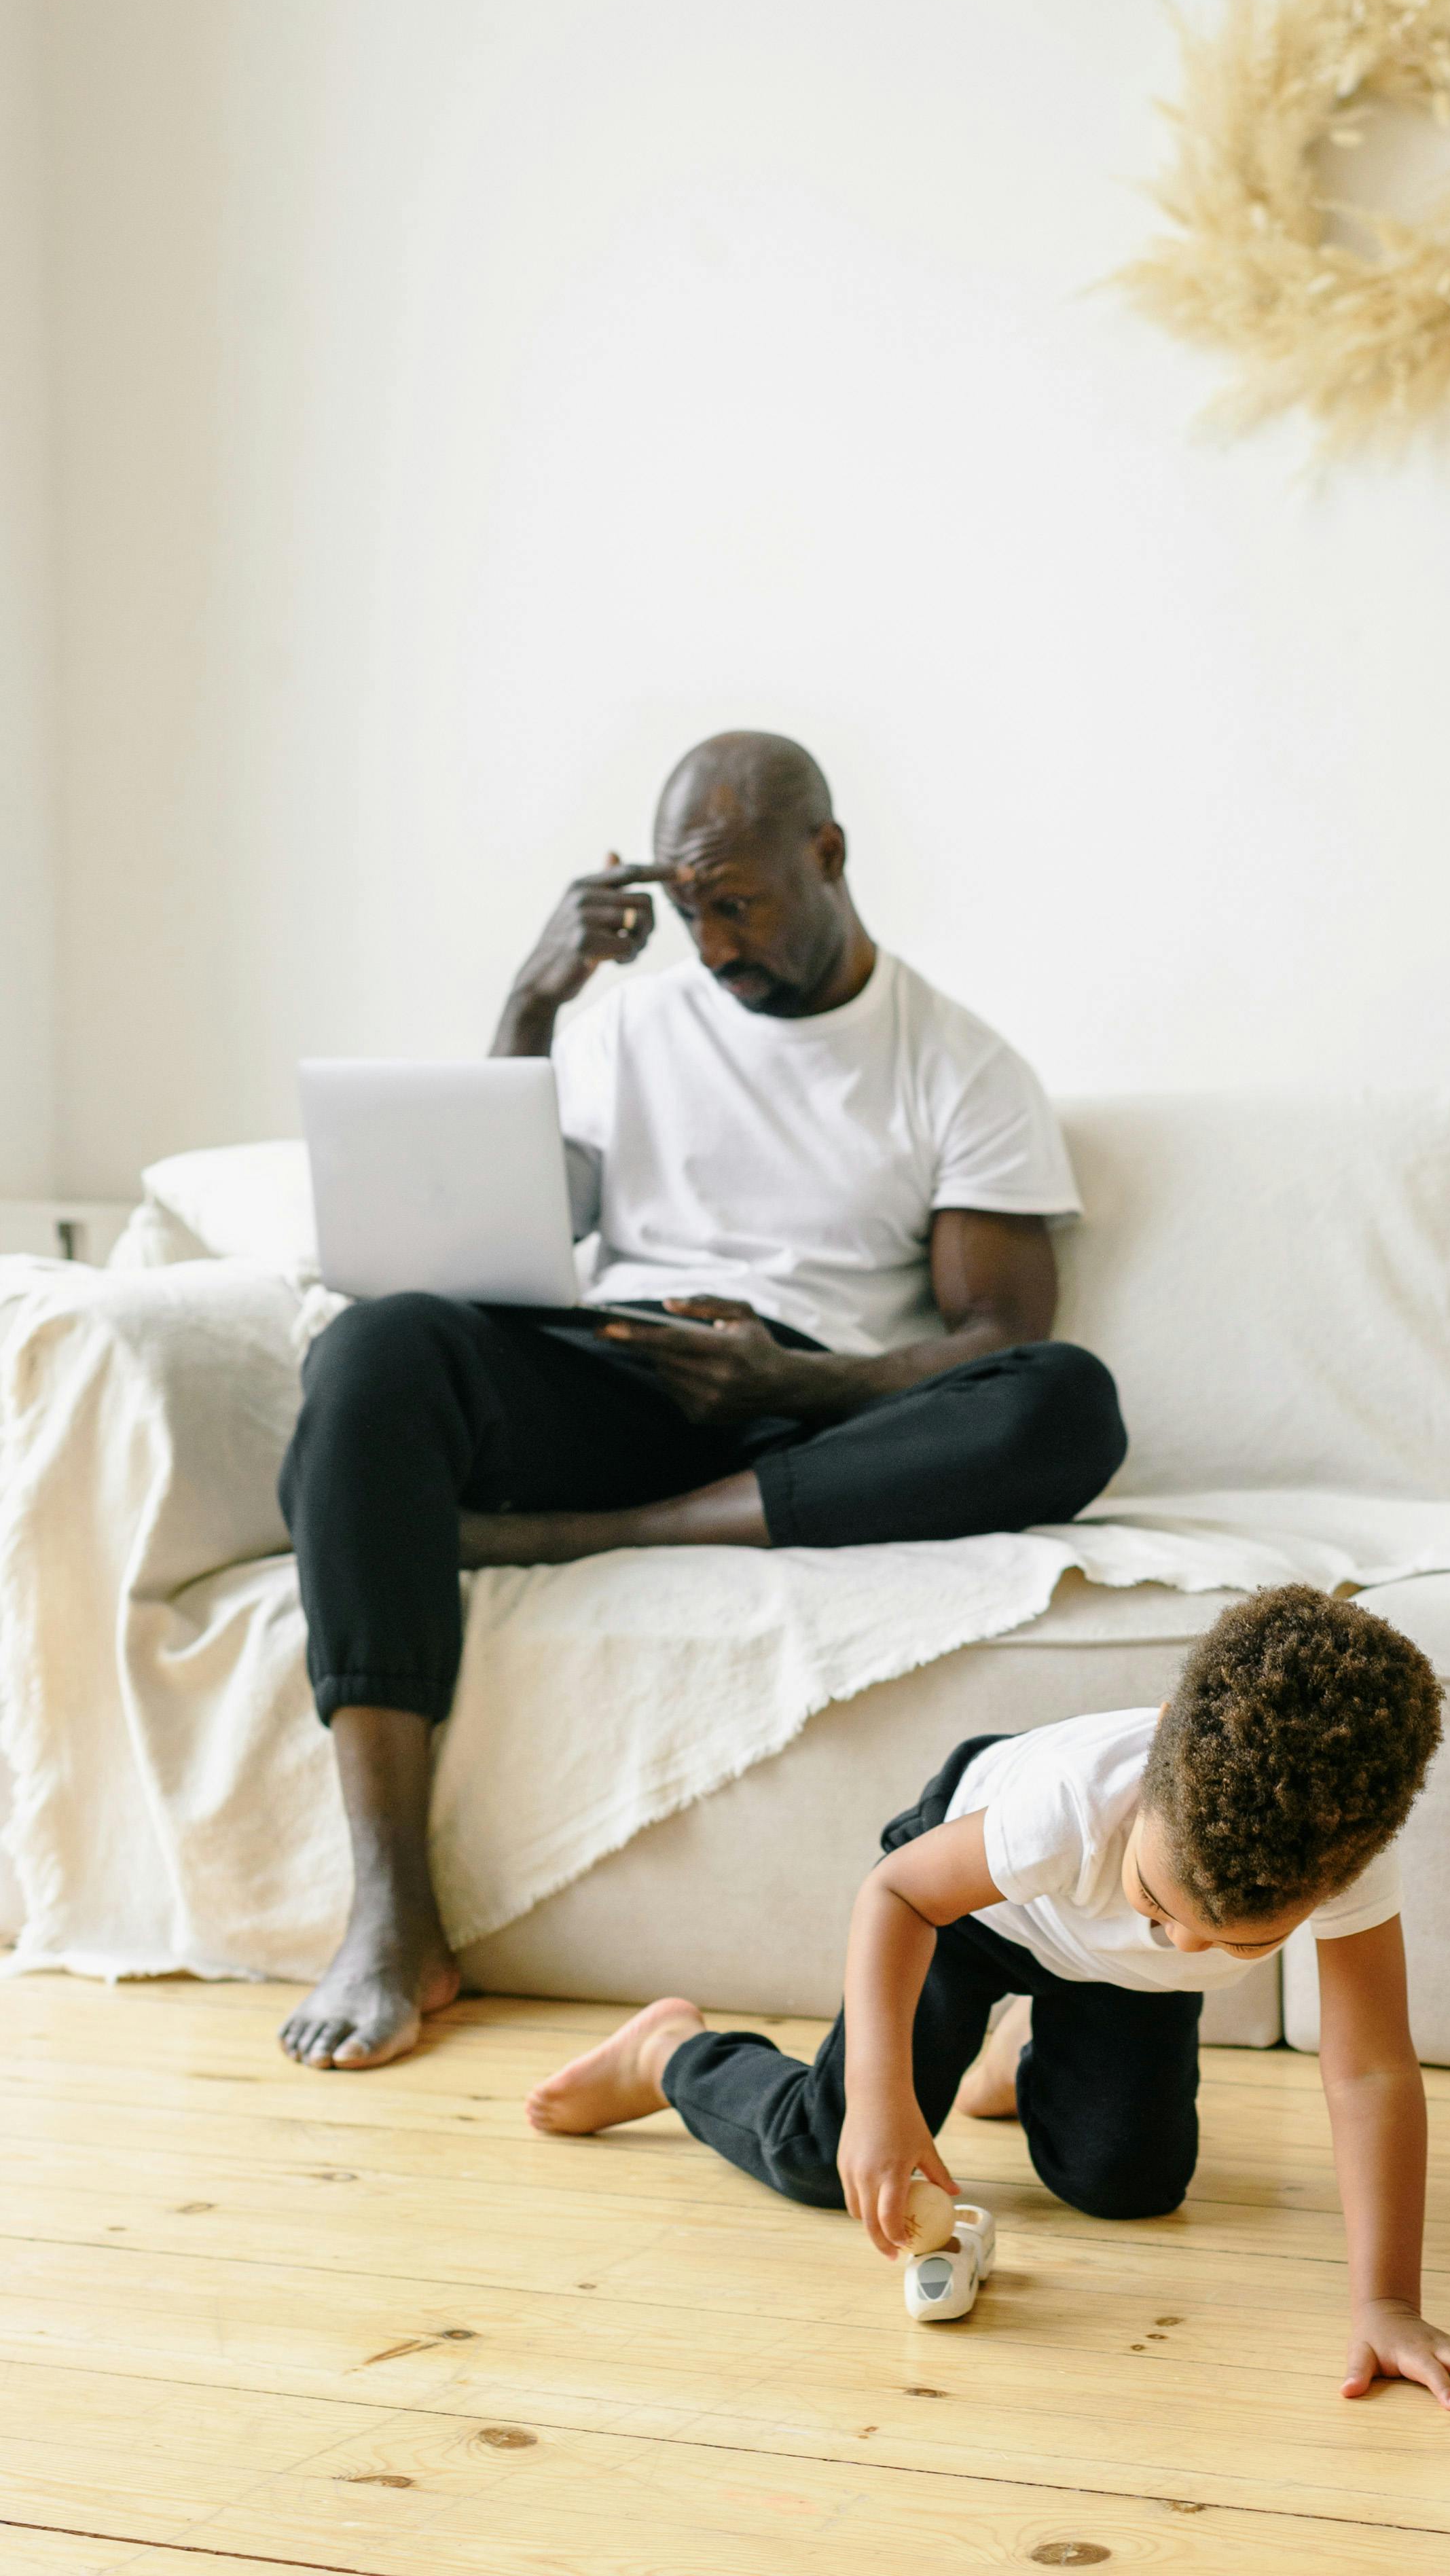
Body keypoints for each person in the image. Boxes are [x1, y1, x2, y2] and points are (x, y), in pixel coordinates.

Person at [276, 730, 1126, 2070]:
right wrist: (531, 1001)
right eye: (687, 910)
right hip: (623, 1364)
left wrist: (798, 1376)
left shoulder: (954, 1062)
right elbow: (475, 1228)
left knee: (1067, 1402)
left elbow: (999, 1334)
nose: (714, 939)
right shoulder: (624, 1026)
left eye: (739, 899)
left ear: (827, 855)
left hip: (817, 1404)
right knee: (373, 1350)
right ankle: (392, 1910)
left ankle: (610, 1530)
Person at [524, 1584, 1450, 2412]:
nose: (1183, 1942)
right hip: (965, 1912)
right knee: (822, 2154)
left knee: (1127, 2185)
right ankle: (670, 2053)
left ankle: (1015, 2055)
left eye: (1241, 1943)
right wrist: (882, 2103)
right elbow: (897, 1896)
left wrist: (1389, 2303)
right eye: (1160, 1902)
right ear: (1149, 1790)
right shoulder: (1069, 1808)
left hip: (1106, 1974)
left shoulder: (1337, 1863)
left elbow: (1368, 2069)